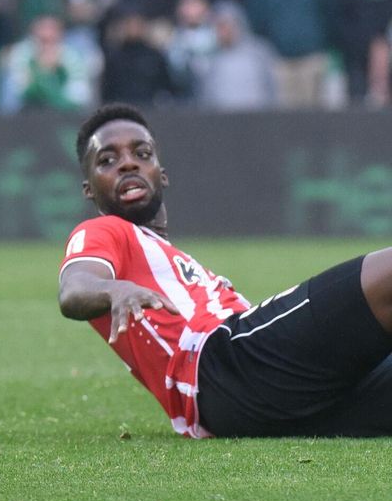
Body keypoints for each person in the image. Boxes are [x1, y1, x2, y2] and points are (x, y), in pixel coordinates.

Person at [59, 104, 392, 437]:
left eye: (142, 153)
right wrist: (115, 289)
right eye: (107, 160)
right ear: (88, 188)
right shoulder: (104, 230)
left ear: (162, 173)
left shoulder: (167, 257)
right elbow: (74, 288)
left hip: (257, 405)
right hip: (222, 366)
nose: (128, 163)